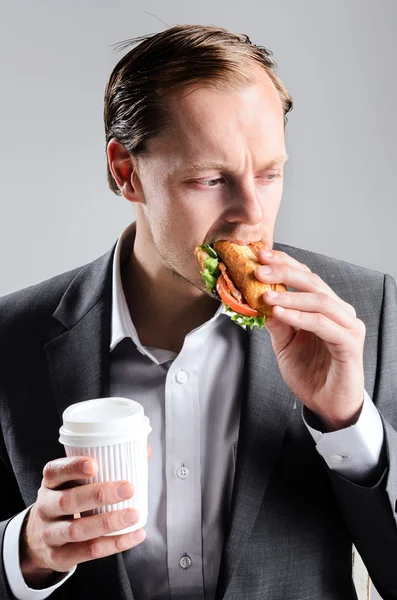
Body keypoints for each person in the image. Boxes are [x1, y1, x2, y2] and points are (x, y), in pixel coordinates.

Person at [1, 23, 397, 600]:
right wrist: (26, 552)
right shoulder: (11, 338)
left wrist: (347, 422)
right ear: (126, 172)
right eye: (211, 180)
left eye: (270, 173)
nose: (251, 215)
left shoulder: (366, 312)